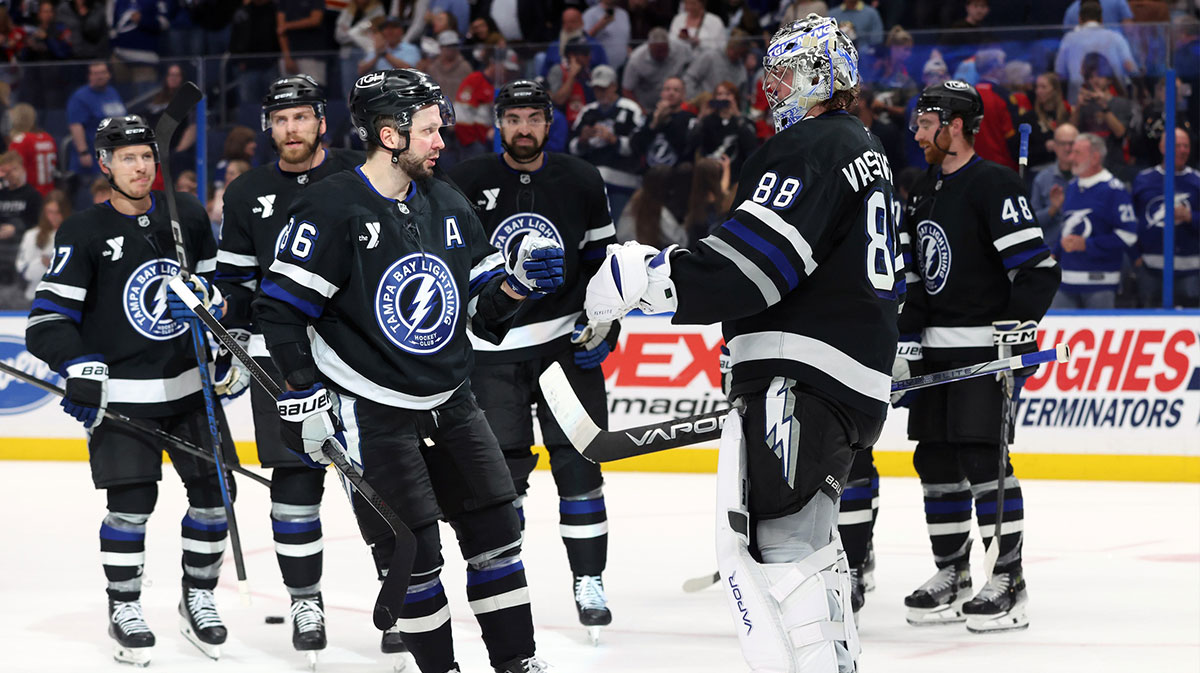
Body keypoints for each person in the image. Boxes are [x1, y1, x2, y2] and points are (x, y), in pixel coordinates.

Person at [586, 15, 899, 672]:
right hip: (839, 376)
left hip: (800, 375)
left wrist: (649, 274)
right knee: (811, 543)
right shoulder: (861, 147)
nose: (769, 89)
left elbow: (753, 266)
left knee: (784, 550)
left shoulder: (812, 146)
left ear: (818, 76)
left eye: (783, 74)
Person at [252, 68, 561, 673]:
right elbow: (280, 312)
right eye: (428, 130)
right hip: (373, 413)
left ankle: (516, 663)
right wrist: (304, 396)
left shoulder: (448, 202)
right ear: (390, 135)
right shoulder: (330, 206)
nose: (441, 141)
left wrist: (519, 285)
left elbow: (483, 317)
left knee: (499, 537)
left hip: (454, 402)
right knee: (411, 553)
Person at [24, 115, 238, 666]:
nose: (139, 166)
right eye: (126, 158)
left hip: (192, 392)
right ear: (104, 164)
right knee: (130, 508)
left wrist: (212, 309)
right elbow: (47, 320)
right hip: (124, 400)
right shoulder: (83, 230)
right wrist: (79, 366)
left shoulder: (187, 216)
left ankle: (200, 599)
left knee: (217, 503)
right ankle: (125, 605)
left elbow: (223, 295)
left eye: (145, 156)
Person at [448, 78, 621, 644]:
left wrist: (608, 321)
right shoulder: (467, 181)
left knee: (579, 469)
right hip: (491, 357)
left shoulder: (580, 179)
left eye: (533, 118)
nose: (524, 129)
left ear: (550, 122)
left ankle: (589, 581)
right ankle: (506, 584)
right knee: (502, 480)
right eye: (513, 118)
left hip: (564, 353)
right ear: (499, 122)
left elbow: (604, 264)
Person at [901, 81, 1060, 633]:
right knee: (934, 462)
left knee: (980, 460)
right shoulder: (921, 190)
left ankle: (1007, 578)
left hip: (982, 352)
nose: (917, 133)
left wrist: (1018, 326)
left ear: (956, 125)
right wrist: (907, 336)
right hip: (935, 357)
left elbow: (1038, 270)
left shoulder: (993, 185)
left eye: (926, 123)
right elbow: (917, 277)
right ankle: (953, 572)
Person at [214, 75, 363, 663]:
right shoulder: (248, 191)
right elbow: (235, 283)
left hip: (362, 356)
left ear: (322, 122)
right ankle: (306, 601)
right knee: (295, 484)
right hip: (282, 360)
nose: (292, 129)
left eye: (302, 117)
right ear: (268, 127)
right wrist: (222, 322)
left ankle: (401, 593)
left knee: (376, 479)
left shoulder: (359, 170)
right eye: (281, 120)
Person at [1052, 132, 1137, 309]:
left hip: (1100, 283)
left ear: (1095, 157)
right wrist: (1055, 253)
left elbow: (1129, 235)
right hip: (1066, 281)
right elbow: (1068, 227)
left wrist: (1087, 245)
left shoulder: (1114, 190)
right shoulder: (1073, 186)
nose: (1071, 158)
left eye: (1077, 153)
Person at [569, 65, 644, 224]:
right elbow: (571, 147)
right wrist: (582, 141)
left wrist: (613, 140)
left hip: (622, 177)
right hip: (591, 178)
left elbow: (639, 146)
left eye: (604, 88)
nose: (600, 93)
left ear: (614, 86)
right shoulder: (588, 111)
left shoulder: (630, 109)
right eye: (596, 88)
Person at [1132, 128, 1199, 308]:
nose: (1183, 150)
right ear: (1163, 147)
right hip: (1150, 268)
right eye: (1177, 146)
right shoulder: (1144, 179)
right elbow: (1132, 220)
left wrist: (1191, 216)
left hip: (1190, 269)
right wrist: (1135, 255)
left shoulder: (1197, 180)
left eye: (1186, 146)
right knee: (1149, 322)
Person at [66, 62, 127, 179]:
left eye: (103, 73)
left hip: (114, 156)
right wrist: (83, 152)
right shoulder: (80, 97)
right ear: (89, 76)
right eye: (95, 73)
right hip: (94, 158)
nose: (100, 76)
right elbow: (76, 126)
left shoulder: (112, 92)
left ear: (109, 75)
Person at [687, 80, 758, 178]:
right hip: (709, 167)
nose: (723, 97)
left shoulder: (743, 121)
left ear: (735, 97)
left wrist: (737, 116)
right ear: (715, 98)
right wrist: (701, 118)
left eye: (728, 94)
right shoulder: (708, 120)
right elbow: (691, 143)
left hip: (735, 168)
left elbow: (751, 147)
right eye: (719, 94)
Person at [0, 151, 42, 306]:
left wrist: (17, 229)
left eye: (14, 170)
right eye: (7, 171)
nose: (11, 175)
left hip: (20, 249)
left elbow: (37, 227)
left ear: (22, 169)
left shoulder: (32, 196)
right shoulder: (1, 193)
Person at [632, 76, 696, 170]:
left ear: (683, 95)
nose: (671, 93)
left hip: (676, 172)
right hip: (649, 172)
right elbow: (636, 145)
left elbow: (686, 148)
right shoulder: (651, 117)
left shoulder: (689, 118)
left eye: (676, 90)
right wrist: (655, 123)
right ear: (661, 93)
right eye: (667, 89)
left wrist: (667, 121)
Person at [622, 27, 692, 113]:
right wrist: (641, 111)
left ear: (668, 45)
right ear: (649, 47)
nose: (661, 54)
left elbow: (691, 64)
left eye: (664, 50)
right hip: (648, 108)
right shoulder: (636, 59)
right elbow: (627, 90)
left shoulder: (681, 48)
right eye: (658, 51)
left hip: (677, 107)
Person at [16, 188, 68, 302]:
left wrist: (55, 266)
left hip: (67, 298)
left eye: (57, 212)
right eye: (49, 212)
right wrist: (41, 264)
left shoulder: (77, 234)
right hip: (36, 297)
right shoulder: (32, 235)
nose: (53, 217)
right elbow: (24, 271)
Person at [1030, 123, 1080, 242]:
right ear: (1054, 146)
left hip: (1083, 249)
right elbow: (1032, 223)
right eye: (1063, 144)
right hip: (1052, 250)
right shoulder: (1042, 178)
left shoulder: (1088, 176)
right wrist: (1052, 209)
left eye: (1071, 143)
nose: (1067, 149)